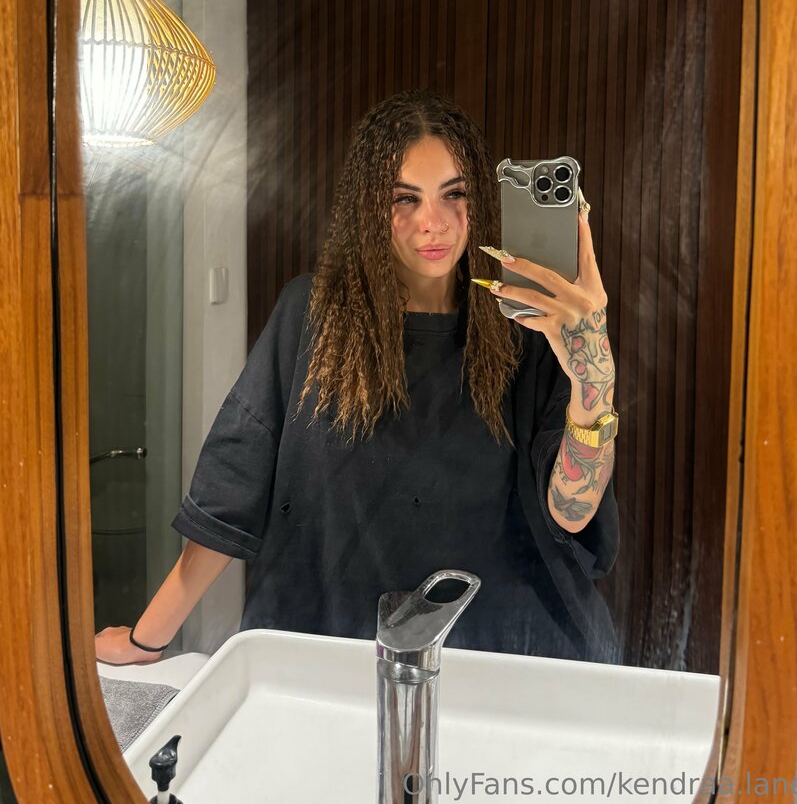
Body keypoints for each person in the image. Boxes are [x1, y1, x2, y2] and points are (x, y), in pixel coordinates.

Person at [95, 91, 619, 667]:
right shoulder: (314, 317)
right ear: (370, 206)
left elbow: (572, 512)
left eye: (454, 193)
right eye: (404, 198)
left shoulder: (528, 334)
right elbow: (231, 487)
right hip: (327, 650)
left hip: (496, 655)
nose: (434, 222)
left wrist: (593, 372)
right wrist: (147, 638)